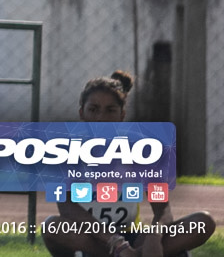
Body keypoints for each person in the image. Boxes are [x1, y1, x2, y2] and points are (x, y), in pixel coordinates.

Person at [41, 70, 215, 257]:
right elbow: (67, 209)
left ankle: (138, 254)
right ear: (82, 113)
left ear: (122, 115)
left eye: (110, 110)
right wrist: (117, 243)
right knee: (52, 226)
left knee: (203, 221)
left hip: (134, 237)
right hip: (93, 238)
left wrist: (154, 237)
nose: (101, 118)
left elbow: (163, 209)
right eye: (93, 109)